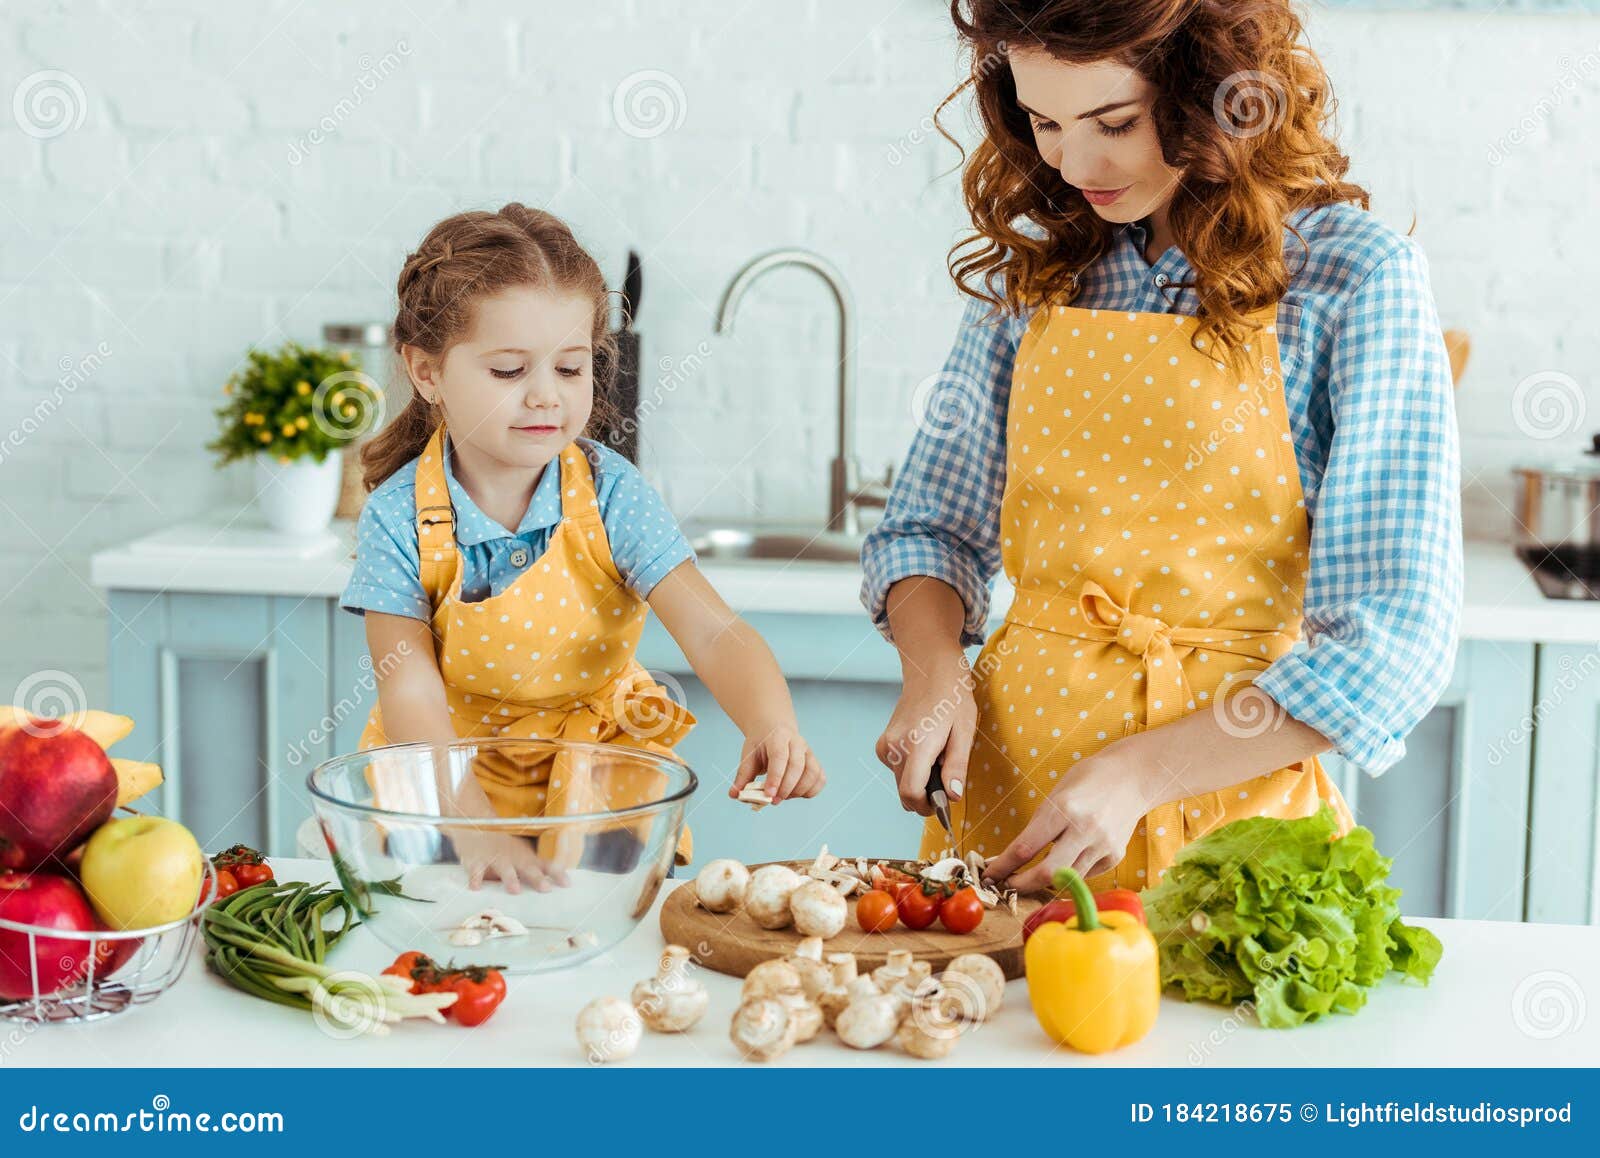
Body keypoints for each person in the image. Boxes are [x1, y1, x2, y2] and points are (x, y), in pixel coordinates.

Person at [862, 0, 1461, 894]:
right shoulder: (1038, 274)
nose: (1075, 164)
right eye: (1045, 123)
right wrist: (934, 669)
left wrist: (1142, 772)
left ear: (1213, 96)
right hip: (1010, 800)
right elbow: (927, 532)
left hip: (1231, 822)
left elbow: (1391, 640)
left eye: (1115, 123)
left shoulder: (1350, 275)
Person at [343, 203, 823, 890]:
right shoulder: (397, 518)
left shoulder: (611, 495)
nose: (546, 397)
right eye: (509, 371)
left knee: (595, 946)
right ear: (426, 372)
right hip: (448, 787)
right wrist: (474, 829)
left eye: (570, 369)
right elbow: (409, 688)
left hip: (600, 780)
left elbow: (714, 630)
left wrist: (772, 723)